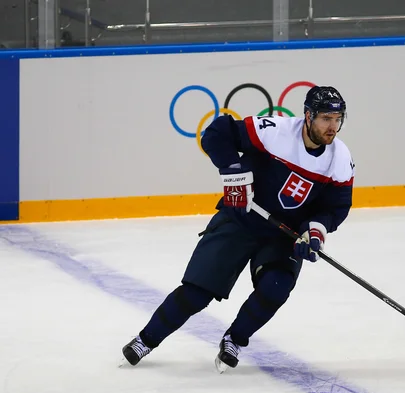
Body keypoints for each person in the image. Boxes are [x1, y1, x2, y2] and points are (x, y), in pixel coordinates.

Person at [122, 86, 355, 373]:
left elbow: (336, 206)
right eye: (325, 119)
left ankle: (235, 338)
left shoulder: (340, 158)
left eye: (337, 119)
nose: (332, 127)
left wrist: (315, 231)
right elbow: (217, 133)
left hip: (283, 234)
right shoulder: (275, 131)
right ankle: (146, 339)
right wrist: (234, 173)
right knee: (196, 292)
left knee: (276, 287)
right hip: (241, 219)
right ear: (307, 116)